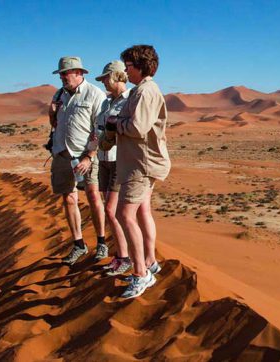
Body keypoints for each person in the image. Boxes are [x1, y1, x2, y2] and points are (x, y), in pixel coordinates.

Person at [106, 45, 170, 299]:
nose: (125, 71)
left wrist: (114, 123)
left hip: (141, 165)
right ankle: (150, 261)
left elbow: (138, 127)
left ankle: (141, 274)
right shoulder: (140, 91)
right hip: (138, 162)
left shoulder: (145, 91)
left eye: (128, 66)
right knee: (142, 210)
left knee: (124, 213)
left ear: (140, 66)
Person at [48, 56, 106, 265]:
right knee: (68, 198)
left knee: (93, 195)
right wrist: (51, 113)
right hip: (62, 153)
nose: (63, 77)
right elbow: (55, 124)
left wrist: (90, 156)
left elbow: (101, 129)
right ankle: (78, 244)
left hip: (86, 154)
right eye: (61, 74)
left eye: (66, 73)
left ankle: (101, 242)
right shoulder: (59, 95)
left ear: (79, 73)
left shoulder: (95, 94)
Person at [87, 60, 133, 277]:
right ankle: (120, 255)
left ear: (116, 76)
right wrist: (91, 151)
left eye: (105, 77)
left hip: (119, 161)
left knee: (111, 211)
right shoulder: (106, 103)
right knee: (110, 210)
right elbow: (98, 130)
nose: (103, 81)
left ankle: (126, 257)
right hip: (103, 159)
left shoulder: (130, 100)